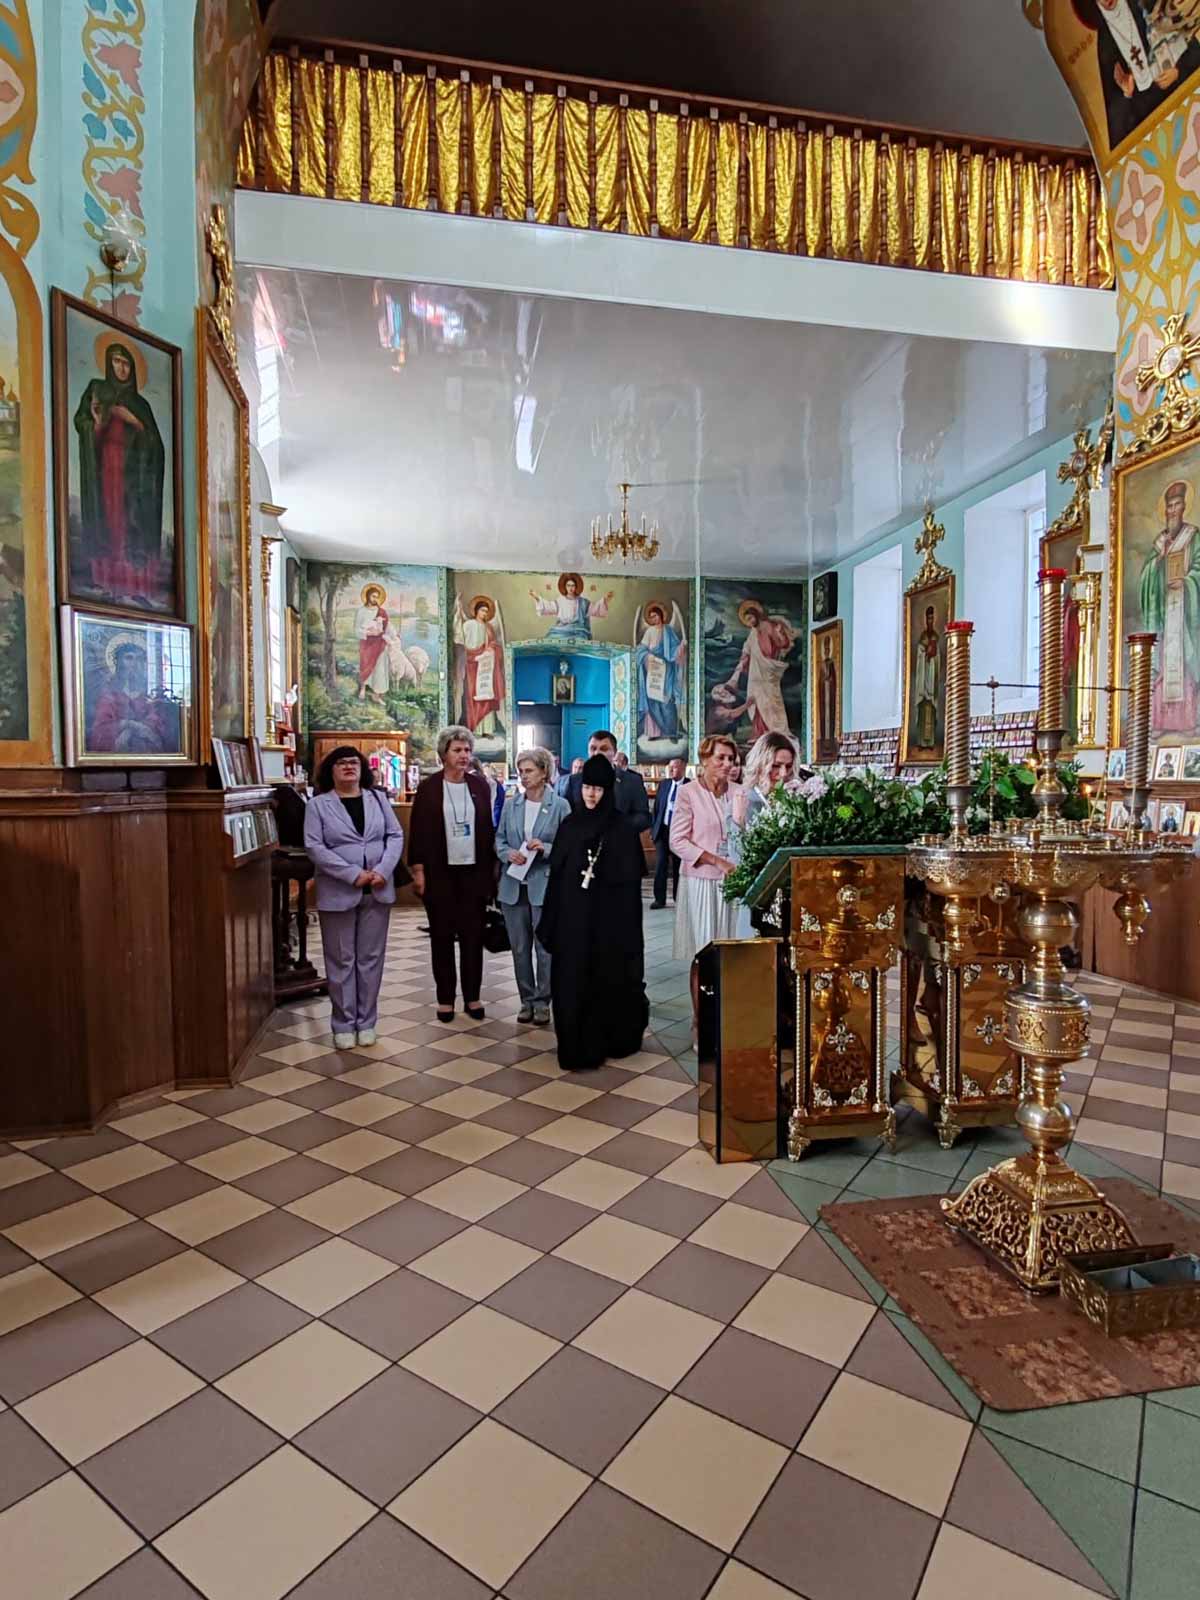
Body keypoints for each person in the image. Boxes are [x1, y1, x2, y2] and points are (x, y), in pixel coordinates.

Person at [537, 754, 649, 1070]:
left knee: (605, 981)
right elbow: (557, 879)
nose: (591, 794)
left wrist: (625, 930)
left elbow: (630, 890)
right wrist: (552, 921)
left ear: (608, 791)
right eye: (587, 787)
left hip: (607, 928)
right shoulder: (570, 826)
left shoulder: (622, 829)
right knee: (572, 981)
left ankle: (607, 1040)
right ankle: (575, 1045)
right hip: (573, 925)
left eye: (598, 789)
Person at [304, 746, 404, 1048]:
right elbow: (314, 846)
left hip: (377, 888)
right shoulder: (318, 805)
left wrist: (383, 869)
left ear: (362, 769)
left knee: (370, 959)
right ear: (330, 770)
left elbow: (395, 835)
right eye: (341, 763)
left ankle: (367, 1022)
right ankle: (343, 1024)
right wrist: (351, 873)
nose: (349, 767)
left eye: (354, 762)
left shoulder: (378, 799)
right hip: (339, 890)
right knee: (341, 959)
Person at [408, 725, 497, 1022]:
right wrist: (418, 871)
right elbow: (418, 831)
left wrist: (492, 873)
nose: (464, 755)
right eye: (457, 750)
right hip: (439, 873)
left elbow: (488, 830)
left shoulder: (480, 786)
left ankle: (473, 996)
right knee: (442, 937)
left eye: (467, 750)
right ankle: (445, 998)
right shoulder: (429, 787)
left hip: (474, 873)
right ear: (444, 754)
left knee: (473, 937)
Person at [72, 340, 166, 590]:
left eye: (126, 363)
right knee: (109, 519)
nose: (121, 368)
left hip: (134, 475)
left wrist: (134, 421)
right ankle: (105, 580)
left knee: (130, 521)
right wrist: (97, 422)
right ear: (108, 363)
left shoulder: (141, 405)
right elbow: (82, 424)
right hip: (105, 469)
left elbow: (156, 446)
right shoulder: (96, 390)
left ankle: (133, 583)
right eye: (116, 361)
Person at [670, 734, 749, 1025]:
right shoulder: (688, 792)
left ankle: (728, 1021)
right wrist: (716, 860)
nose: (727, 764)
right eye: (721, 758)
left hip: (734, 883)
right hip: (701, 882)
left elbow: (747, 835)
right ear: (705, 760)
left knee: (734, 953)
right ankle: (701, 1022)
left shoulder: (740, 792)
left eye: (731, 759)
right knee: (704, 954)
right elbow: (677, 841)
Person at [495, 746, 570, 1023]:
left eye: (529, 771)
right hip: (514, 885)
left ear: (544, 772)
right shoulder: (512, 804)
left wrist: (546, 848)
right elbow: (499, 839)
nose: (523, 776)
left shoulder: (560, 805)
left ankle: (542, 1001)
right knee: (519, 948)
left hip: (544, 885)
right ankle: (526, 1000)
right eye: (520, 771)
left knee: (544, 948)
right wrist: (507, 854)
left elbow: (568, 847)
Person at [1140, 478, 1200, 734]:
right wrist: (1158, 563)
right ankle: (1162, 724)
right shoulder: (1160, 542)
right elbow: (1146, 576)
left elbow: (1199, 567)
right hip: (1165, 616)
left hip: (1185, 616)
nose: (1173, 510)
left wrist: (1186, 582)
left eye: (1177, 504)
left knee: (1184, 667)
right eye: (1169, 506)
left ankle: (1187, 723)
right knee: (1164, 668)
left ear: (1184, 506)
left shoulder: (1193, 537)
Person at [722, 602, 797, 738]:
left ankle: (777, 731)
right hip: (756, 673)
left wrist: (780, 633)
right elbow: (747, 648)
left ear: (756, 614)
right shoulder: (753, 632)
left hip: (768, 670)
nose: (750, 622)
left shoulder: (768, 626)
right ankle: (760, 733)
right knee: (756, 698)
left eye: (751, 618)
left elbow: (782, 644)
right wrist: (740, 665)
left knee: (771, 700)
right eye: (747, 621)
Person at [565, 729, 651, 834]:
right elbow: (567, 813)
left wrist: (619, 825)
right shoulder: (574, 780)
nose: (597, 753)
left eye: (603, 749)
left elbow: (643, 817)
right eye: (593, 748)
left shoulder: (633, 780)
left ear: (614, 752)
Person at [453, 593, 505, 735]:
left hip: (486, 664)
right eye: (482, 610)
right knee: (473, 695)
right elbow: (460, 638)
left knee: (487, 694)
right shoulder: (469, 624)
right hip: (472, 664)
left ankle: (487, 729)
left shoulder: (489, 627)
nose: (485, 613)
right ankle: (474, 728)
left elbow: (493, 643)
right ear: (476, 611)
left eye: (487, 611)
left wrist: (490, 649)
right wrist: (459, 610)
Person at [650, 756, 688, 909]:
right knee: (660, 865)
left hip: (680, 833)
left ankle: (678, 898)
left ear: (683, 768)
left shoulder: (690, 786)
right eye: (670, 767)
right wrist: (654, 830)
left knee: (679, 867)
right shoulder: (664, 784)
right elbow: (657, 808)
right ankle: (659, 899)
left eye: (675, 767)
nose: (671, 770)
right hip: (663, 831)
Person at [531, 572, 612, 642]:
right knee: (551, 640)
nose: (570, 588)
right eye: (568, 585)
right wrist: (537, 598)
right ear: (564, 586)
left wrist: (605, 600)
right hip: (560, 630)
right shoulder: (560, 601)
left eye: (573, 585)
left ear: (577, 586)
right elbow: (549, 607)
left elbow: (595, 609)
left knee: (580, 641)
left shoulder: (583, 602)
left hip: (578, 631)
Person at [913, 604, 942, 750]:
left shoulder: (936, 637)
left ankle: (930, 742)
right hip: (923, 678)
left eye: (932, 618)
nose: (930, 621)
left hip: (931, 678)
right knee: (923, 711)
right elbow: (919, 656)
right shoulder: (922, 637)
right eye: (928, 618)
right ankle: (921, 742)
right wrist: (925, 654)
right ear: (925, 619)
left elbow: (938, 659)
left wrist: (933, 656)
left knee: (931, 710)